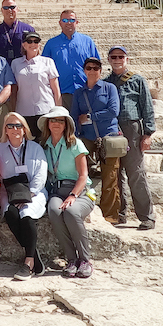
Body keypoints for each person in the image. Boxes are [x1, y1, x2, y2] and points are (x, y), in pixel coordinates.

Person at [39, 106, 95, 279]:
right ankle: (71, 259)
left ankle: (85, 259)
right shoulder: (44, 146)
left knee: (71, 212)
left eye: (60, 120)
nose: (56, 123)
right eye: (53, 120)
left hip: (80, 191)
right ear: (48, 124)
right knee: (54, 211)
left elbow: (83, 175)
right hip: (57, 190)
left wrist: (73, 195)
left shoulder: (75, 143)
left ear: (66, 124)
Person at [105, 46, 157, 230]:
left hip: (132, 128)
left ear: (126, 59)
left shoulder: (137, 80)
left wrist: (148, 134)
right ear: (109, 60)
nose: (117, 59)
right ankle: (119, 215)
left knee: (136, 173)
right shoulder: (106, 82)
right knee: (115, 173)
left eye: (121, 56)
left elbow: (147, 107)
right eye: (114, 57)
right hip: (112, 130)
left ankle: (146, 216)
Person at [0, 112, 48, 279]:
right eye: (10, 125)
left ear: (24, 130)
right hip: (9, 193)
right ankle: (32, 252)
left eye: (18, 125)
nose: (15, 129)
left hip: (33, 192)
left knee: (26, 214)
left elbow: (41, 175)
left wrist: (27, 196)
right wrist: (15, 197)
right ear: (5, 130)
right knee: (11, 213)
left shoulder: (35, 148)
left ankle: (29, 262)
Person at [71, 57, 122, 225]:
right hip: (87, 137)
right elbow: (74, 116)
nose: (92, 71)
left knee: (110, 177)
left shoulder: (110, 88)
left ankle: (111, 216)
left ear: (100, 71)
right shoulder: (79, 93)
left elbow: (113, 111)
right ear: (84, 70)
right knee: (80, 173)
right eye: (89, 68)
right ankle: (84, 208)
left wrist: (91, 117)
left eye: (95, 68)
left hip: (109, 136)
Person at [41, 9, 100, 110]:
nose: (68, 23)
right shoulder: (51, 44)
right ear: (60, 23)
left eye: (72, 20)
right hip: (62, 93)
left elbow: (97, 66)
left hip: (84, 91)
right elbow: (44, 68)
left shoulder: (87, 41)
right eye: (65, 20)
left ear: (77, 22)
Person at [10, 32, 62, 137]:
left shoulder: (48, 62)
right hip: (24, 110)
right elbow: (14, 90)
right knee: (28, 144)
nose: (33, 44)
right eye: (29, 41)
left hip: (46, 110)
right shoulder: (15, 63)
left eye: (36, 41)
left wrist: (59, 112)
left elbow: (56, 89)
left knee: (46, 143)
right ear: (24, 45)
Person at [0, 0, 36, 64]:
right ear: (2, 10)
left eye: (12, 7)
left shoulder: (28, 29)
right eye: (6, 8)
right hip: (2, 69)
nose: (9, 10)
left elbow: (34, 50)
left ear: (17, 9)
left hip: (23, 68)